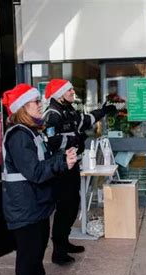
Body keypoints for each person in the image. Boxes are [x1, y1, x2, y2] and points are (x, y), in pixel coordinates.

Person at [1, 83, 78, 275]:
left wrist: (62, 158)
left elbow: (42, 161)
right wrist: (62, 163)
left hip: (36, 204)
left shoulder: (32, 131)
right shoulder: (18, 136)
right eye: (36, 102)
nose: (40, 105)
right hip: (24, 206)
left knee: (38, 247)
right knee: (28, 253)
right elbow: (34, 171)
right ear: (22, 108)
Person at [42, 79, 117, 265]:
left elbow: (86, 120)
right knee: (64, 208)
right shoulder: (52, 114)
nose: (72, 92)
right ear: (59, 94)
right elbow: (51, 141)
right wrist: (75, 139)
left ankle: (65, 242)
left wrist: (104, 111)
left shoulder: (69, 110)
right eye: (69, 90)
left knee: (73, 205)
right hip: (60, 167)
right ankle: (58, 251)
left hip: (72, 164)